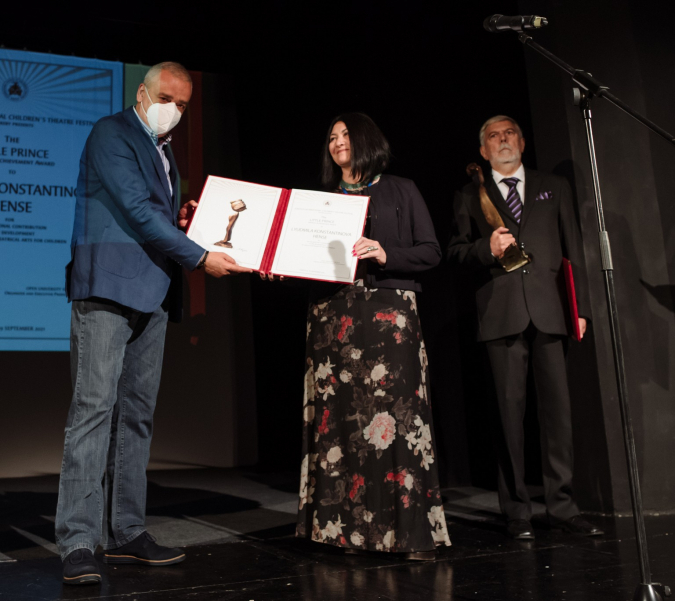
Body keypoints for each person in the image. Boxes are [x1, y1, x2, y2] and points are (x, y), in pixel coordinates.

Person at [57, 61, 251, 585]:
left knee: (137, 417)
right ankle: (78, 541)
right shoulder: (112, 132)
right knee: (93, 411)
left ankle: (126, 532)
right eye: (167, 99)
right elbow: (137, 212)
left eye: (183, 105)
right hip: (107, 289)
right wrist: (199, 256)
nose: (174, 111)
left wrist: (185, 221)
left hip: (154, 293)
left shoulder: (163, 151)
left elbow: (154, 215)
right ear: (142, 94)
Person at [296, 113, 451, 560]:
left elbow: (431, 252)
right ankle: (348, 533)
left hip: (389, 317)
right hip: (333, 317)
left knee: (398, 420)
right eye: (332, 137)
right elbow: (303, 259)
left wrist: (385, 253)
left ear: (366, 139)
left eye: (346, 134)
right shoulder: (322, 200)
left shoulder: (401, 189)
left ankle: (411, 535)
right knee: (342, 424)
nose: (337, 142)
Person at [447, 115, 602, 540]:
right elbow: (455, 252)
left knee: (558, 415)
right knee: (508, 416)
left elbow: (574, 248)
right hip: (501, 314)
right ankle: (516, 511)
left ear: (522, 141)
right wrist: (486, 248)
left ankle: (562, 507)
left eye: (509, 133)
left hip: (551, 311)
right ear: (483, 150)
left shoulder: (554, 186)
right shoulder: (469, 195)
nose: (503, 140)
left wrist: (581, 308)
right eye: (493, 136)